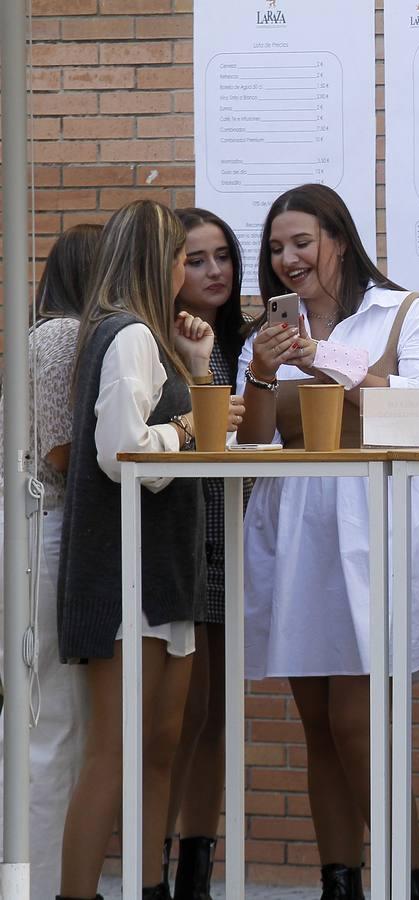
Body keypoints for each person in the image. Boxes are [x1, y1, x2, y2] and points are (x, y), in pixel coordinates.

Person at [235, 183, 419, 900]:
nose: (288, 258)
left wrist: (324, 357)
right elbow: (251, 444)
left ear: (339, 237)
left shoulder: (403, 311)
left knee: (356, 719)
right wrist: (264, 372)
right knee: (318, 725)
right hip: (300, 527)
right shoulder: (268, 332)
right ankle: (341, 882)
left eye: (301, 242)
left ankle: (409, 879)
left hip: (379, 523)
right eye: (276, 248)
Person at [56, 200, 242, 900]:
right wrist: (189, 429)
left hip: (161, 572)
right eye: (179, 257)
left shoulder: (146, 337)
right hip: (126, 576)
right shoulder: (128, 335)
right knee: (116, 751)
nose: (187, 272)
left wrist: (197, 368)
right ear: (155, 262)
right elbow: (123, 454)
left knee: (157, 748)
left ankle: (146, 888)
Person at [0, 224, 102, 900]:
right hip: (50, 527)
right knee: (54, 721)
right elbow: (62, 453)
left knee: (45, 719)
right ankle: (38, 883)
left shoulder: (49, 332)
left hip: (37, 525)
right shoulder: (65, 336)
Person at [162, 207, 250, 899]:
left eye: (222, 256)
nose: (214, 271)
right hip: (180, 544)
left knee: (215, 714)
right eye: (197, 259)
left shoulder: (239, 339)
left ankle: (196, 868)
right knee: (177, 719)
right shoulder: (158, 339)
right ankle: (153, 871)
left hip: (229, 537)